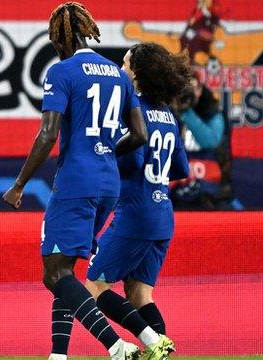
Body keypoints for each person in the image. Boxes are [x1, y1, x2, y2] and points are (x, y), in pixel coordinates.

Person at [2, 3, 148, 360]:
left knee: (54, 274)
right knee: (64, 271)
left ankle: (116, 346)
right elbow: (140, 134)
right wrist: (107, 152)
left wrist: (20, 184)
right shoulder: (117, 73)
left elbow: (48, 133)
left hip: (76, 182)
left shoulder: (62, 71)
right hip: (108, 184)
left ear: (58, 37)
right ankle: (59, 355)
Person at [83, 42, 190, 360]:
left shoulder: (132, 110)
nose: (121, 69)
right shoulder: (168, 113)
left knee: (94, 288)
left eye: (125, 64)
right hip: (162, 214)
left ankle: (151, 343)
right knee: (139, 293)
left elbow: (133, 154)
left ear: (138, 73)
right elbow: (180, 169)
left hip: (134, 214)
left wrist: (107, 153)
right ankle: (162, 350)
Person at [170, 73, 239, 210]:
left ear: (200, 90)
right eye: (184, 88)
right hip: (177, 189)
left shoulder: (213, 111)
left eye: (193, 87)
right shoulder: (169, 110)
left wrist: (186, 112)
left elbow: (210, 142)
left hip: (212, 190)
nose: (189, 92)